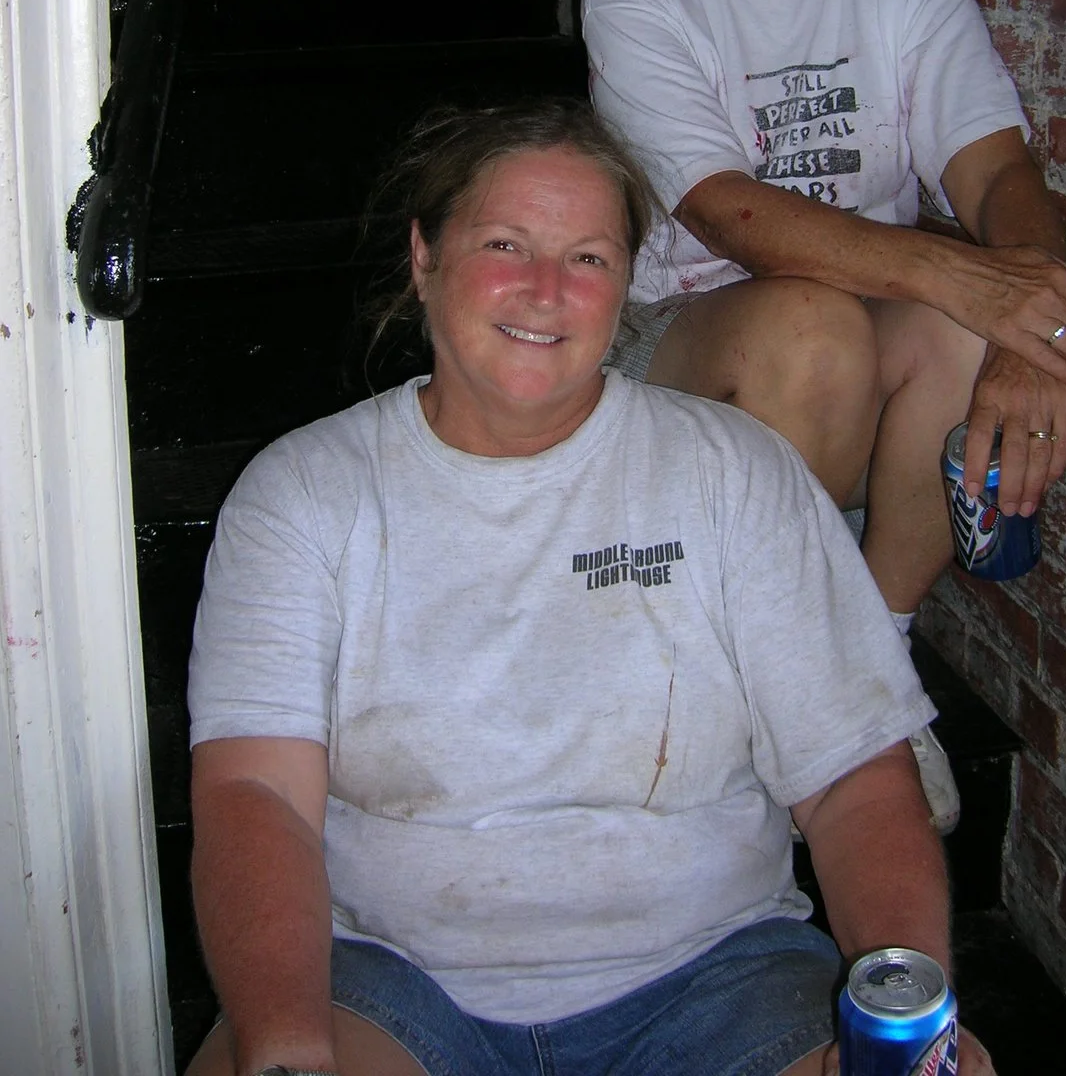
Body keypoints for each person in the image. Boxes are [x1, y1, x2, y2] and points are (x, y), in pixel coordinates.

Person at [185, 99, 993, 1076]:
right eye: (504, 243)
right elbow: (254, 795)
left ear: (625, 289)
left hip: (718, 975)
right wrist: (285, 1044)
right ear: (424, 258)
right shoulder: (301, 494)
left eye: (589, 258)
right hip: (389, 975)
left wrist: (905, 1021)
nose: (545, 290)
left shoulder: (734, 470)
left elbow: (857, 778)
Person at [581, 0, 1066, 831]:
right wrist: (975, 280)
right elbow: (726, 210)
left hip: (849, 364)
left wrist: (1033, 342)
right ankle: (771, 670)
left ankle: (866, 668)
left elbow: (998, 173)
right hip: (690, 343)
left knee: (957, 328)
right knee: (824, 320)